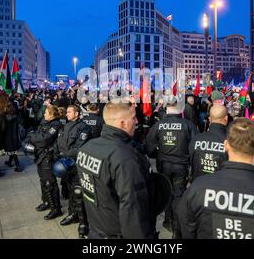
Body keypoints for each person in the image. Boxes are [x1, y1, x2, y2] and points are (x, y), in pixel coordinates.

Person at [76, 102, 155, 239]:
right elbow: (132, 207)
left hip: (96, 229)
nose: (137, 121)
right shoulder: (125, 158)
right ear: (123, 123)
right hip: (118, 233)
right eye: (134, 117)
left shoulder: (86, 148)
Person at [146, 98, 198, 238]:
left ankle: (169, 221)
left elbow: (149, 148)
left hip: (164, 164)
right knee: (178, 194)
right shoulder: (188, 125)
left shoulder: (159, 125)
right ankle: (177, 227)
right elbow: (195, 147)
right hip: (181, 165)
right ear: (180, 109)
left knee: (167, 193)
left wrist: (160, 154)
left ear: (166, 109)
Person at [57, 105, 92, 226]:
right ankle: (73, 214)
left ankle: (84, 221)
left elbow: (79, 148)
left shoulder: (84, 127)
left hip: (77, 164)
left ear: (77, 114)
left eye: (69, 112)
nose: (66, 114)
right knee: (70, 189)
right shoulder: (66, 126)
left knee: (78, 191)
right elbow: (60, 142)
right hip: (66, 163)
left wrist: (64, 153)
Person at [28, 105, 64, 220]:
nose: (44, 115)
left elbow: (44, 140)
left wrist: (34, 137)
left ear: (52, 115)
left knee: (50, 183)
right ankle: (47, 202)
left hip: (49, 156)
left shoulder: (56, 124)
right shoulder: (44, 122)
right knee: (43, 181)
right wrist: (35, 137)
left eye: (46, 113)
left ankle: (56, 208)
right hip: (40, 155)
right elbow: (36, 136)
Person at [189, 105, 228, 182]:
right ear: (226, 119)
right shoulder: (230, 142)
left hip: (198, 186)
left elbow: (191, 160)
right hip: (219, 188)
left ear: (210, 119)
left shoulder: (197, 138)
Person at [3, 103, 22, 172]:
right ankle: (9, 162)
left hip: (8, 137)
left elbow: (3, 128)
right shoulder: (15, 117)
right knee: (12, 150)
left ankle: (18, 166)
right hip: (14, 136)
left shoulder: (5, 118)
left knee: (13, 152)